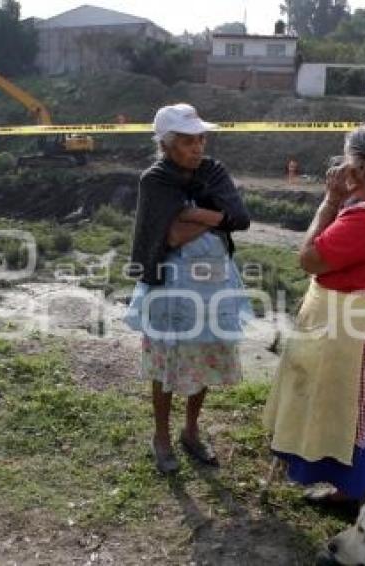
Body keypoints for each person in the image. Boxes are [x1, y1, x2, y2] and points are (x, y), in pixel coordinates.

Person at [263, 123, 365, 504]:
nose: (341, 166)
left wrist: (330, 201)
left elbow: (309, 260)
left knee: (360, 426)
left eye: (348, 159)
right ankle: (350, 492)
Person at [125, 103, 251, 474]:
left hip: (213, 281)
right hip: (170, 284)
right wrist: (216, 218)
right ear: (166, 144)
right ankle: (161, 438)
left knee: (206, 356)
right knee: (167, 360)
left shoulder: (214, 172)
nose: (197, 148)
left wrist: (192, 212)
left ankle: (191, 431)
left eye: (200, 139)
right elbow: (170, 236)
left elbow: (239, 219)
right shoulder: (155, 180)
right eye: (187, 141)